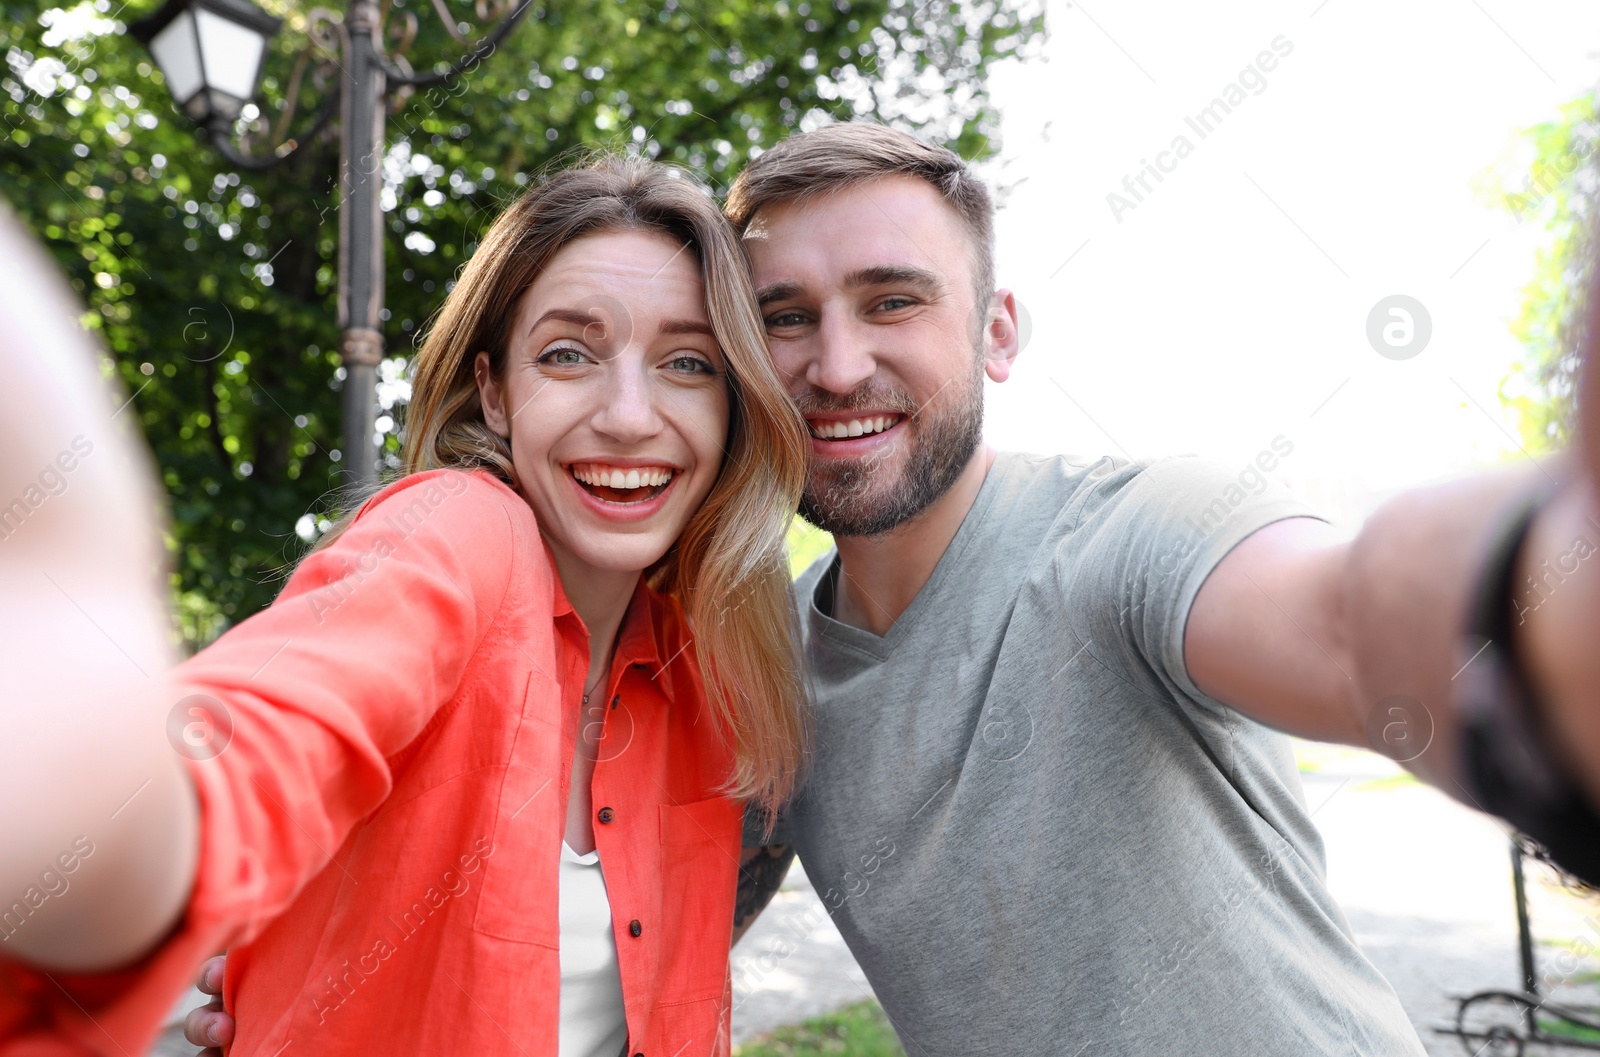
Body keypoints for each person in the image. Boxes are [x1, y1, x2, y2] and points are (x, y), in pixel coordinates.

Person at [190, 123, 1600, 1054]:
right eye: (783, 321)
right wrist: (187, 942)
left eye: (893, 301)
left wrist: (1535, 651)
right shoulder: (705, 657)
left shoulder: (1123, 536)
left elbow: (1350, 621)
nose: (838, 365)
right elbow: (307, 753)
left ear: (995, 331)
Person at [0, 154, 812, 1057]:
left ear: (733, 405)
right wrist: (101, 826)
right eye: (567, 354)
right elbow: (261, 737)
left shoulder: (705, 677)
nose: (629, 415)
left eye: (687, 362)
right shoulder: (462, 530)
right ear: (496, 394)